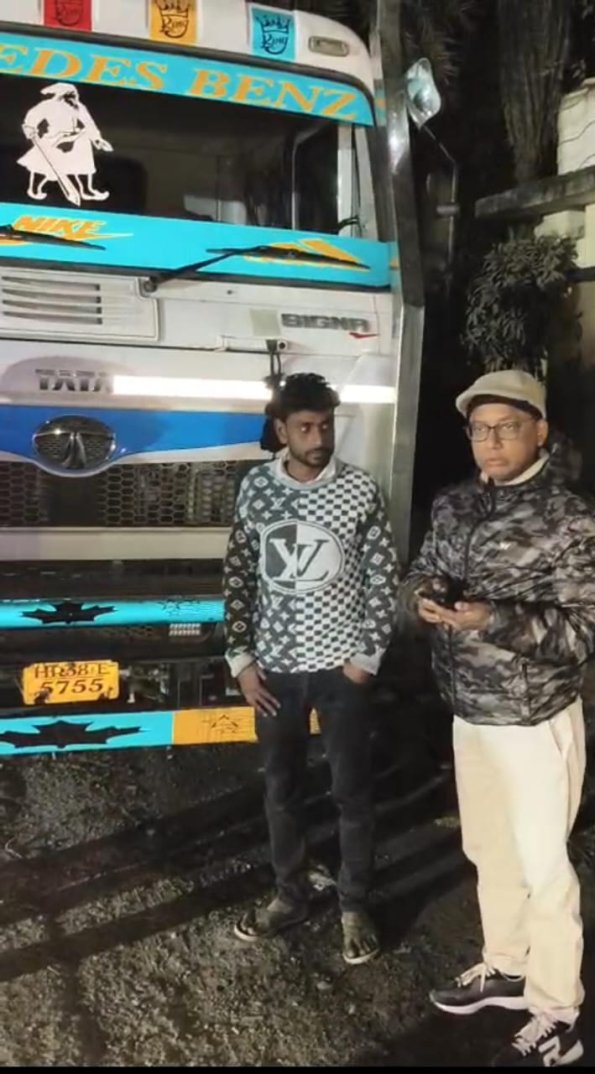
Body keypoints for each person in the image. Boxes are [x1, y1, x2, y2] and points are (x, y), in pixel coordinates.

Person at [401, 369, 595, 1066]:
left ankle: (558, 1014)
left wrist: (492, 618)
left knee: (545, 870)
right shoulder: (455, 503)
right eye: (479, 429)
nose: (491, 442)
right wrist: (423, 599)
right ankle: (509, 967)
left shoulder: (572, 518)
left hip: (534, 719)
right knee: (488, 850)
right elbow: (419, 570)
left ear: (540, 431)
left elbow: (584, 631)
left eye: (507, 428)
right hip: (469, 712)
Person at [223, 372, 399, 964]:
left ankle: (354, 903)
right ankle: (289, 896)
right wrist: (242, 661)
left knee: (351, 792)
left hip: (341, 671)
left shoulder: (359, 490)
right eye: (305, 427)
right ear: (281, 431)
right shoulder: (256, 489)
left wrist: (365, 660)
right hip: (275, 672)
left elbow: (383, 576)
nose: (319, 438)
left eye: (325, 425)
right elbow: (239, 574)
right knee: (282, 791)